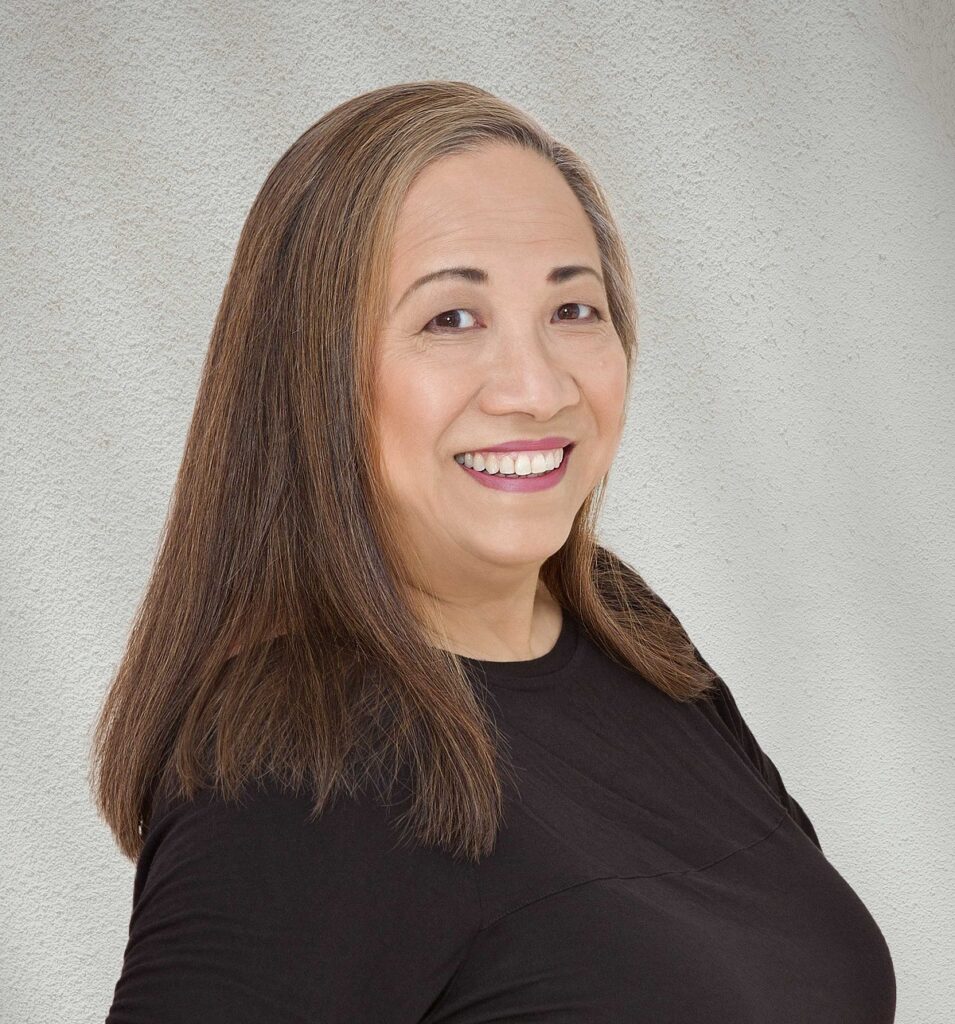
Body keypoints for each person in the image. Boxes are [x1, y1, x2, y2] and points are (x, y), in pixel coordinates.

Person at [94, 80, 896, 1022]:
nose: (536, 387)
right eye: (450, 319)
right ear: (314, 378)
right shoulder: (291, 775)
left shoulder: (620, 625)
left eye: (573, 310)